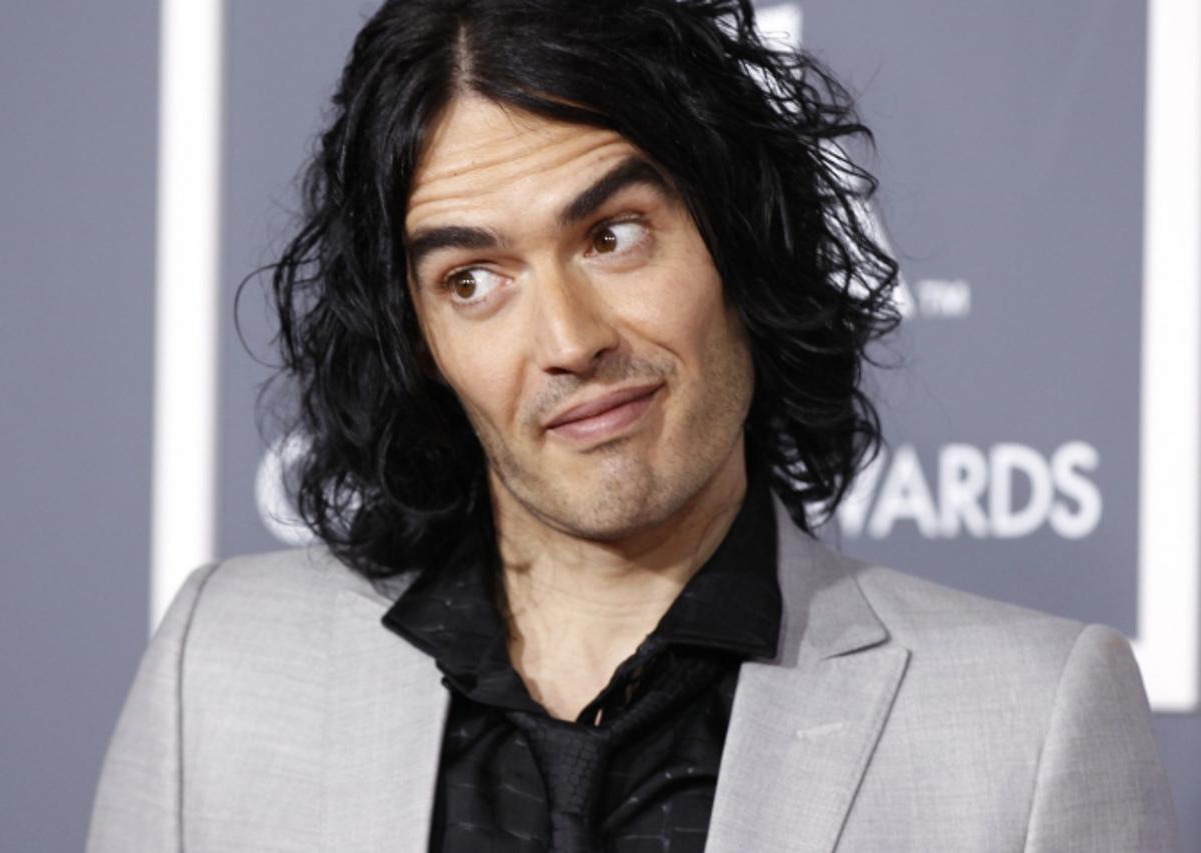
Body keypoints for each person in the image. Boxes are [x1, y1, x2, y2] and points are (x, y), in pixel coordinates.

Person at [88, 0, 1181, 850]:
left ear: (737, 242)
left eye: (612, 235)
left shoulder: (1027, 723)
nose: (566, 339)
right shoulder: (220, 667)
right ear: (415, 338)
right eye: (473, 279)